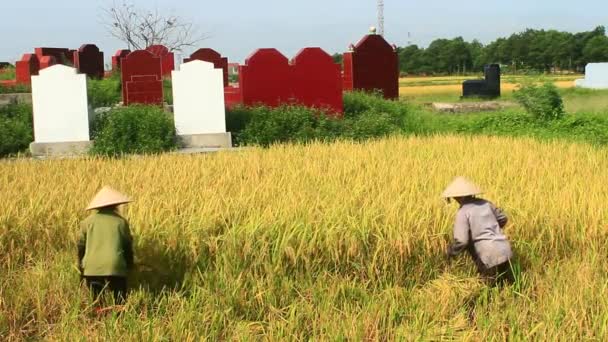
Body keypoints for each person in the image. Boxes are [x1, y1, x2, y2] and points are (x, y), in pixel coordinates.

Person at [442, 177, 514, 285]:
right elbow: (503, 218)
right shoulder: (486, 203)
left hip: (488, 254)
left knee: (488, 287)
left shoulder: (463, 212)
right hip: (504, 249)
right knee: (506, 284)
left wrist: (451, 252)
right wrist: (492, 229)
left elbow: (462, 241)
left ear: (458, 197)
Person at [78, 186, 134, 305]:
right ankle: (119, 321)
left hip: (92, 268)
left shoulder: (87, 222)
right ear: (115, 205)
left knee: (98, 302)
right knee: (119, 302)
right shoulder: (121, 222)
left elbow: (81, 247)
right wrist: (130, 264)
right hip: (115, 267)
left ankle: (100, 320)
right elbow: (127, 246)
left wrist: (81, 267)